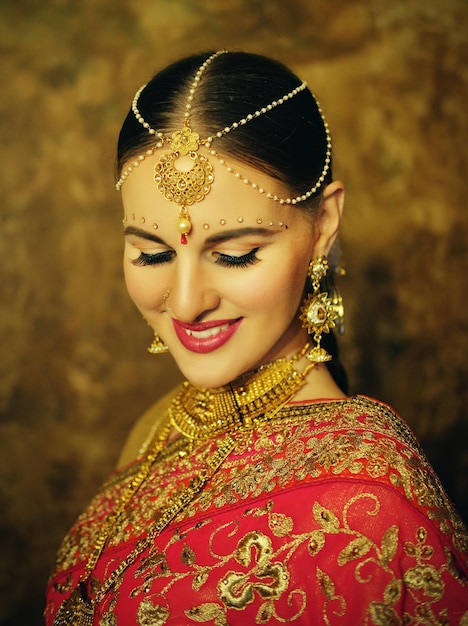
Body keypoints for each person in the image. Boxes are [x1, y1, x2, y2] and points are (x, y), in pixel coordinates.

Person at [45, 50, 468, 625]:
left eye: (236, 255)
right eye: (152, 252)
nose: (188, 301)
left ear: (324, 226)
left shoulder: (367, 508)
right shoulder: (157, 427)